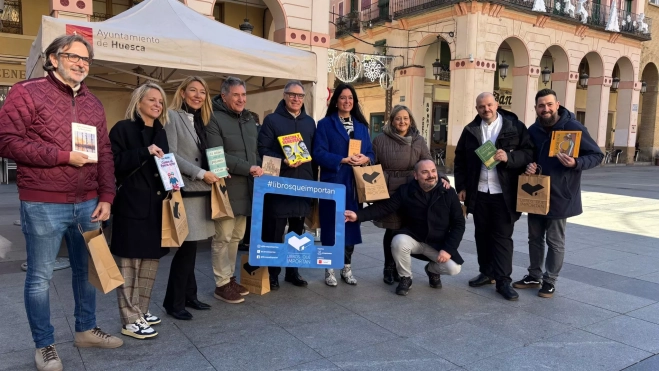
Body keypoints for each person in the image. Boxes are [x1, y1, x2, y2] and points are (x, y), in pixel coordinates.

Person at [0, 34, 123, 371]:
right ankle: (45, 345)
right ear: (53, 58)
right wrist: (61, 156)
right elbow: (7, 141)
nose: (81, 63)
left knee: (87, 271)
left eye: (86, 59)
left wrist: (107, 196)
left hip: (88, 203)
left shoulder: (93, 103)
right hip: (43, 202)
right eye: (74, 56)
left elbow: (105, 154)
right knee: (40, 276)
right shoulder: (25, 92)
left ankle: (85, 329)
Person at [513, 89, 603, 298]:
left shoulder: (573, 127)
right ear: (535, 108)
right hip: (535, 192)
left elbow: (597, 155)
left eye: (549, 105)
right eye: (541, 105)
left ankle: (550, 280)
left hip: (560, 194)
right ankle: (534, 275)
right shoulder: (533, 130)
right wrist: (528, 166)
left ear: (557, 104)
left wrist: (576, 162)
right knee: (534, 238)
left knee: (555, 240)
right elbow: (527, 155)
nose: (546, 109)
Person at [454, 92, 534, 301]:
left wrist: (509, 157)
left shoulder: (514, 126)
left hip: (503, 193)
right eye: (481, 106)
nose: (486, 109)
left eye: (489, 105)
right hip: (479, 192)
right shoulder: (470, 130)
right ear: (477, 109)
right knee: (481, 234)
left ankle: (503, 280)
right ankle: (487, 272)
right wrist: (461, 186)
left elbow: (528, 152)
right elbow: (460, 159)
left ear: (496, 104)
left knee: (501, 237)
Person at [344, 159, 465, 296]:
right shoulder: (406, 191)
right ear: (416, 175)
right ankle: (405, 278)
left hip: (437, 243)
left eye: (433, 171)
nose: (430, 175)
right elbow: (385, 207)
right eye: (424, 172)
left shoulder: (448, 193)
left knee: (454, 268)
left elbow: (459, 224)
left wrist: (448, 249)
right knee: (398, 241)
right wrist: (357, 215)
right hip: (414, 238)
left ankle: (432, 270)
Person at [109, 83, 170, 339]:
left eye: (161, 101)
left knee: (149, 262)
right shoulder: (122, 129)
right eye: (152, 100)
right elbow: (112, 163)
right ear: (139, 102)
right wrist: (143, 152)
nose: (157, 104)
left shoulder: (161, 131)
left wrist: (173, 182)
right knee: (129, 265)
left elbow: (167, 164)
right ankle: (129, 319)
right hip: (131, 206)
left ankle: (141, 310)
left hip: (156, 207)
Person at [162, 77, 216, 319]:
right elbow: (170, 154)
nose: (198, 95)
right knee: (186, 248)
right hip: (186, 188)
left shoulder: (201, 120)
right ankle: (173, 303)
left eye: (202, 92)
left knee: (192, 248)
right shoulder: (172, 116)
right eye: (193, 91)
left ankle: (190, 295)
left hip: (201, 190)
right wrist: (200, 172)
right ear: (182, 93)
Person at [207, 77, 263, 303]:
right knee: (223, 236)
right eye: (236, 95)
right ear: (224, 96)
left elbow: (255, 152)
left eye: (243, 94)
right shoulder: (213, 118)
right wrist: (249, 167)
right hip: (226, 187)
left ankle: (229, 278)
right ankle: (221, 283)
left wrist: (260, 167)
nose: (241, 99)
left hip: (247, 187)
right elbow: (215, 153)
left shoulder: (249, 119)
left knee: (237, 237)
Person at [313, 83, 375, 286]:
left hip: (355, 184)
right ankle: (328, 268)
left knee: (351, 226)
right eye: (343, 98)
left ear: (354, 102)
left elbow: (371, 154)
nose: (347, 101)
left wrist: (365, 159)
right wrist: (341, 160)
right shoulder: (324, 124)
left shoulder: (362, 127)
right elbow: (319, 153)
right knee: (330, 226)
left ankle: (346, 268)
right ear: (336, 101)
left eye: (350, 98)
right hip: (333, 182)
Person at [258, 80, 317, 290]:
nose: (296, 99)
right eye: (292, 95)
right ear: (284, 96)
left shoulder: (310, 122)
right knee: (275, 231)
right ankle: (272, 273)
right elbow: (262, 150)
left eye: (300, 96)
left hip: (303, 184)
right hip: (279, 184)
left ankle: (293, 271)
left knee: (298, 232)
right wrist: (283, 160)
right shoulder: (271, 120)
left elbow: (313, 154)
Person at [371, 105, 433, 285]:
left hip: (412, 190)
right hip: (389, 189)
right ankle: (388, 267)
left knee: (406, 231)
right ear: (391, 121)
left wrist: (442, 178)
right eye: (398, 118)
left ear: (411, 120)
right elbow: (372, 164)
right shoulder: (380, 140)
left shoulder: (418, 140)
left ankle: (401, 269)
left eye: (405, 118)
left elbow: (428, 162)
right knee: (392, 229)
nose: (402, 122)